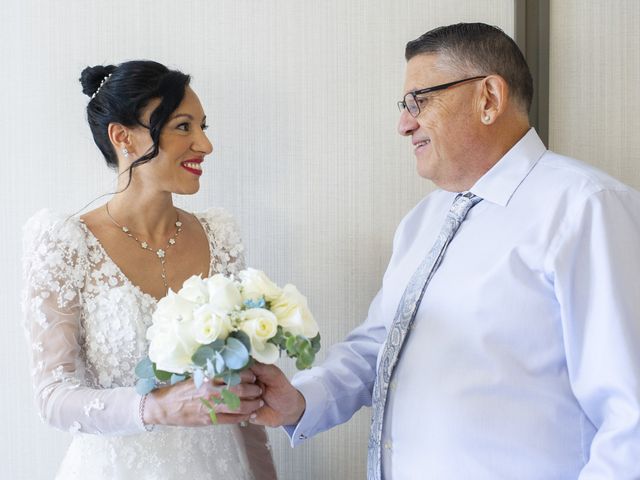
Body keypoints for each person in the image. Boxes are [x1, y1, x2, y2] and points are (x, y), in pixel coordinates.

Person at [249, 23, 640, 478]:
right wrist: (299, 400)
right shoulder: (422, 220)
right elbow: (380, 345)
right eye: (404, 105)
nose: (403, 123)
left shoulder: (586, 208)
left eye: (420, 100)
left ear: (489, 98)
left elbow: (630, 412)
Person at [22, 60, 277, 479]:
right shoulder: (66, 244)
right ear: (122, 137)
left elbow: (241, 391)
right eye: (183, 127)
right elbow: (52, 397)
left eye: (203, 127)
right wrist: (154, 407)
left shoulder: (221, 237)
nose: (204, 145)